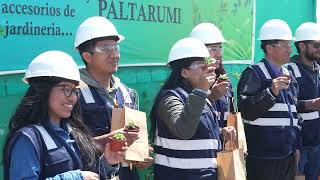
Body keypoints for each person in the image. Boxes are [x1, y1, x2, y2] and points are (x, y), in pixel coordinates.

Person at [3, 50, 126, 180]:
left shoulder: (72, 132)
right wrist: (75, 177)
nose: (72, 98)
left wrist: (107, 163)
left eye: (74, 91)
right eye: (66, 89)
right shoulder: (28, 138)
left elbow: (88, 174)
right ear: (43, 89)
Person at [74, 16, 152, 180]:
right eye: (106, 48)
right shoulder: (73, 93)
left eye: (116, 48)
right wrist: (112, 141)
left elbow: (132, 146)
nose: (114, 54)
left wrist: (137, 156)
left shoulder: (126, 92)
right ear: (87, 56)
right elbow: (69, 147)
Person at [150, 37, 235, 180]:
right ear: (184, 72)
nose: (210, 70)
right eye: (203, 67)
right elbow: (183, 130)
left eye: (209, 66)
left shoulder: (199, 96)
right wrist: (202, 92)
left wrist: (220, 134)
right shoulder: (170, 98)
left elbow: (199, 135)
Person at [237, 19, 301, 180]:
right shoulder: (254, 73)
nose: (290, 49)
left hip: (288, 156)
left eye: (290, 44)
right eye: (285, 45)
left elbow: (294, 114)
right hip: (263, 158)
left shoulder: (289, 74)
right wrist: (271, 92)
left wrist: (296, 147)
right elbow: (245, 111)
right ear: (269, 48)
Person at [287, 22, 320, 180]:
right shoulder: (289, 70)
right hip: (298, 142)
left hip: (317, 141)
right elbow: (285, 105)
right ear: (302, 46)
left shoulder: (318, 70)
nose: (319, 49)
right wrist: (311, 104)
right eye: (316, 45)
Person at [191, 23, 235, 127]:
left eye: (220, 48)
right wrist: (211, 97)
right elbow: (189, 121)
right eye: (213, 49)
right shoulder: (190, 83)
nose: (219, 54)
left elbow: (230, 115)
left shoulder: (223, 79)